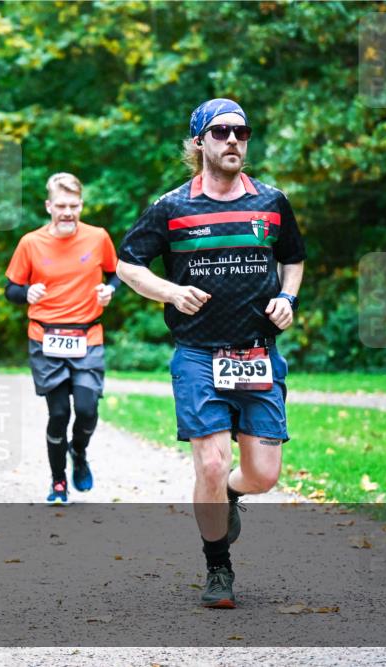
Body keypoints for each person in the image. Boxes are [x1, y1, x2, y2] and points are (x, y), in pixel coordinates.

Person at [115, 99, 306, 608]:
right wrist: (170, 292)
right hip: (199, 354)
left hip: (259, 353)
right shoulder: (173, 206)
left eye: (241, 132)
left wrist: (287, 298)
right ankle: (218, 565)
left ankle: (234, 497)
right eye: (221, 132)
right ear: (199, 141)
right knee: (212, 464)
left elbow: (293, 258)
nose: (233, 141)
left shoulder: (272, 201)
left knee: (263, 474)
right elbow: (127, 264)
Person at [4, 173, 120, 505]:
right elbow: (10, 289)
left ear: (81, 205)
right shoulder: (30, 243)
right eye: (61, 206)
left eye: (73, 206)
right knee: (58, 414)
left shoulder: (98, 237)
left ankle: (79, 453)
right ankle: (58, 483)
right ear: (48, 206)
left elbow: (116, 274)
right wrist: (27, 292)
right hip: (45, 339)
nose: (67, 212)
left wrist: (108, 289)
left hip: (88, 335)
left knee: (86, 409)